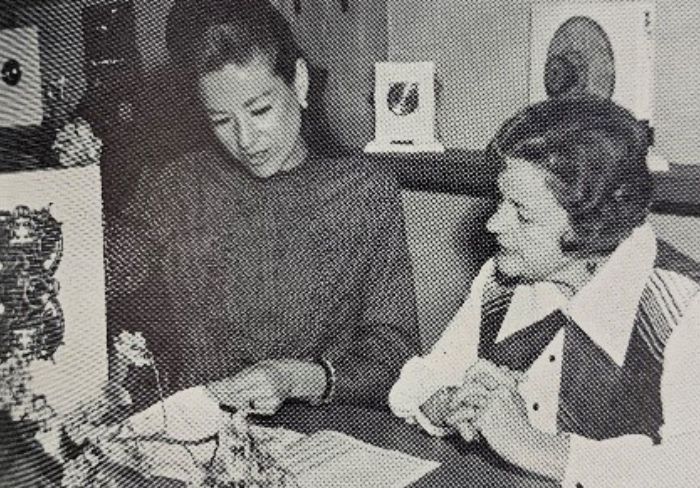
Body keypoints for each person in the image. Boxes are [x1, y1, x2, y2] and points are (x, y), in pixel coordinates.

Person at [107, 0, 418, 412]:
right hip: (197, 435)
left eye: (260, 110)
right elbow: (105, 284)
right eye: (221, 120)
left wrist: (297, 378)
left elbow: (396, 355)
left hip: (323, 433)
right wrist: (76, 184)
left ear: (300, 84)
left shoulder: (362, 191)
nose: (246, 139)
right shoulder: (178, 187)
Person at [389, 97, 700, 487]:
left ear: (594, 225)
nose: (494, 224)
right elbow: (423, 380)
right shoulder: (502, 281)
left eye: (523, 213)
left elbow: (689, 467)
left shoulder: (684, 307)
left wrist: (531, 445)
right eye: (501, 200)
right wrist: (450, 403)